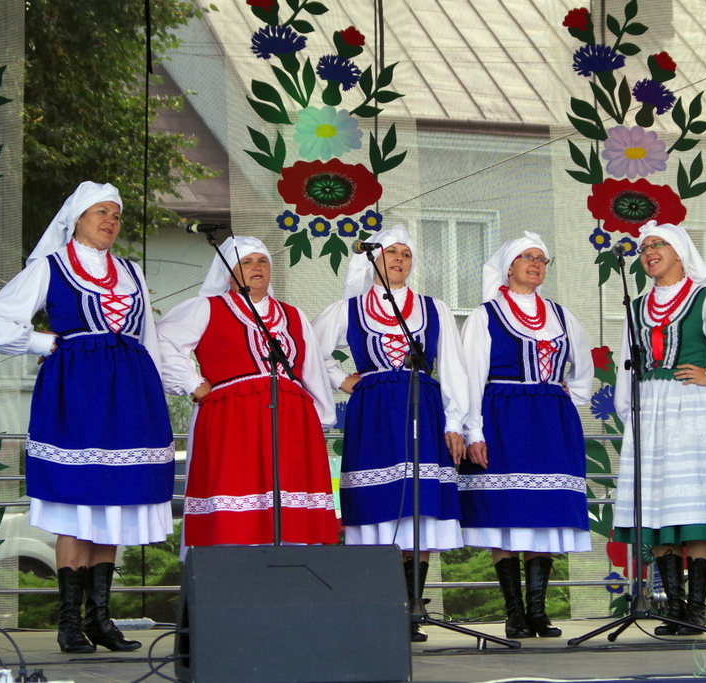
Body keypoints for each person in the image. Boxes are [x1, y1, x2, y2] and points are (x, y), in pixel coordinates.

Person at [0, 182, 174, 654]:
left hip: (131, 394)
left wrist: (157, 393)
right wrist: (44, 342)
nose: (110, 220)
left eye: (116, 214)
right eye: (100, 212)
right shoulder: (50, 267)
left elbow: (147, 337)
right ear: (76, 219)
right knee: (78, 505)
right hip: (77, 394)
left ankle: (99, 619)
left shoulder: (130, 271)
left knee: (115, 503)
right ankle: (69, 623)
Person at [311, 224, 467, 642]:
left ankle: (414, 606)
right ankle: (386, 607)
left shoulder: (434, 308)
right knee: (380, 505)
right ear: (373, 260)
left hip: (424, 406)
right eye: (391, 253)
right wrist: (343, 380)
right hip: (375, 410)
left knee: (420, 505)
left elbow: (454, 369)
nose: (399, 259)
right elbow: (309, 350)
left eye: (406, 254)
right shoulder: (349, 309)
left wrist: (455, 422)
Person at [612, 221, 706, 636]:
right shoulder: (637, 306)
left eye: (658, 244)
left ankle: (696, 609)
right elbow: (627, 365)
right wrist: (630, 413)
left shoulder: (705, 297)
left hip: (690, 404)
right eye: (644, 247)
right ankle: (673, 607)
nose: (649, 251)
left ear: (679, 252)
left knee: (693, 504)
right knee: (658, 503)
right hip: (650, 408)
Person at [156, 236, 339, 550]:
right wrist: (193, 382)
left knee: (289, 508)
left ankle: (288, 574)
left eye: (263, 261)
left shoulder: (293, 316)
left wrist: (318, 418)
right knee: (236, 504)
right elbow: (162, 340)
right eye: (247, 262)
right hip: (231, 421)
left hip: (291, 424)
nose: (257, 267)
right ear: (228, 273)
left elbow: (312, 372)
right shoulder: (207, 307)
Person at [458, 231, 593, 639]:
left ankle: (538, 612)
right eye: (527, 257)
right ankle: (514, 613)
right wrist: (473, 431)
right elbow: (470, 378)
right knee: (506, 511)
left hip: (551, 422)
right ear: (509, 267)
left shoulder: (562, 316)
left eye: (541, 259)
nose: (535, 264)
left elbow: (583, 368)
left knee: (543, 512)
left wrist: (569, 397)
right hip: (503, 417)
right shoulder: (485, 316)